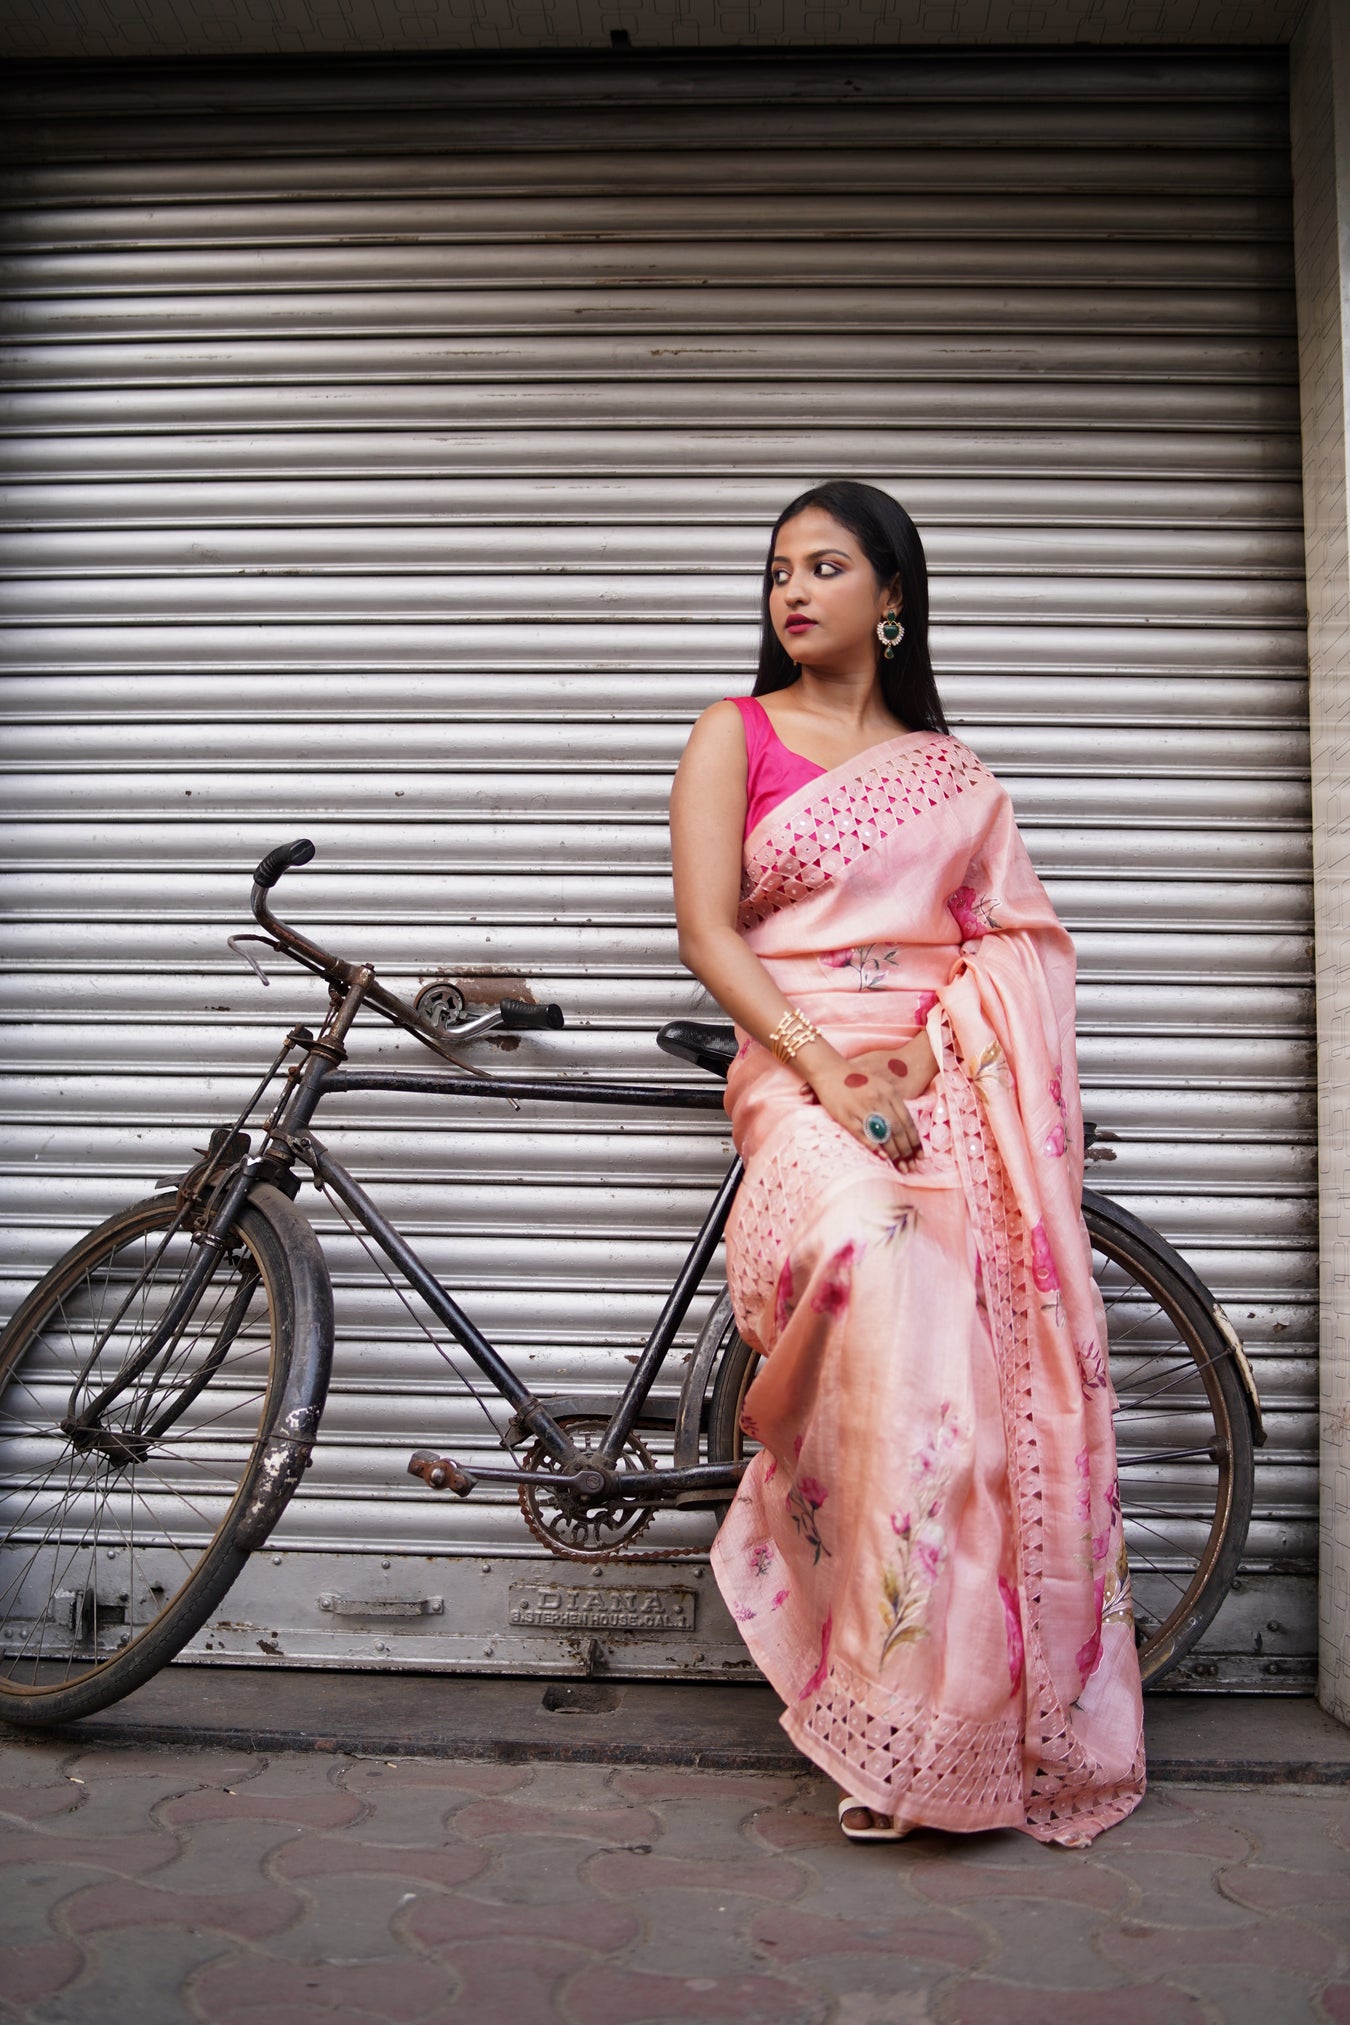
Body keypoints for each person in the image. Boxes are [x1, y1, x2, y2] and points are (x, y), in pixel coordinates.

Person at [669, 480, 1144, 1846]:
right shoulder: (734, 733)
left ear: (891, 599)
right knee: (879, 1256)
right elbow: (708, 933)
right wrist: (825, 1064)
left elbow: (1017, 945)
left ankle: (949, 1727)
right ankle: (880, 1688)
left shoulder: (955, 777)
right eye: (778, 570)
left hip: (943, 1077)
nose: (792, 591)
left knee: (977, 1347)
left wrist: (934, 1058)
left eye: (825, 567)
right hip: (801, 1070)